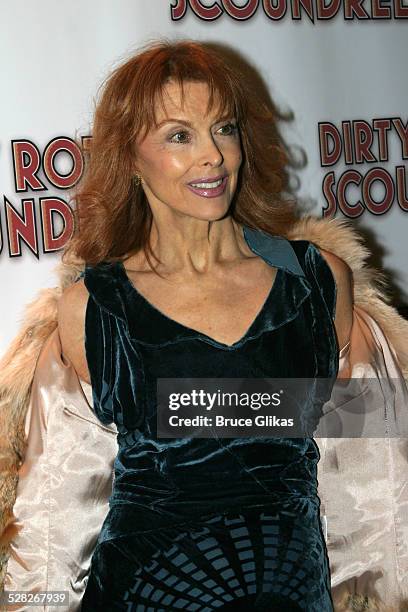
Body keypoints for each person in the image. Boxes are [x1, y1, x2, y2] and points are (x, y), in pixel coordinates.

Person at [1, 39, 408, 611]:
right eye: (178, 135)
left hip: (286, 593)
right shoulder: (93, 308)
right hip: (144, 593)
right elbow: (56, 514)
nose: (213, 156)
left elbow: (372, 481)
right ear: (130, 157)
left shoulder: (317, 284)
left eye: (224, 128)